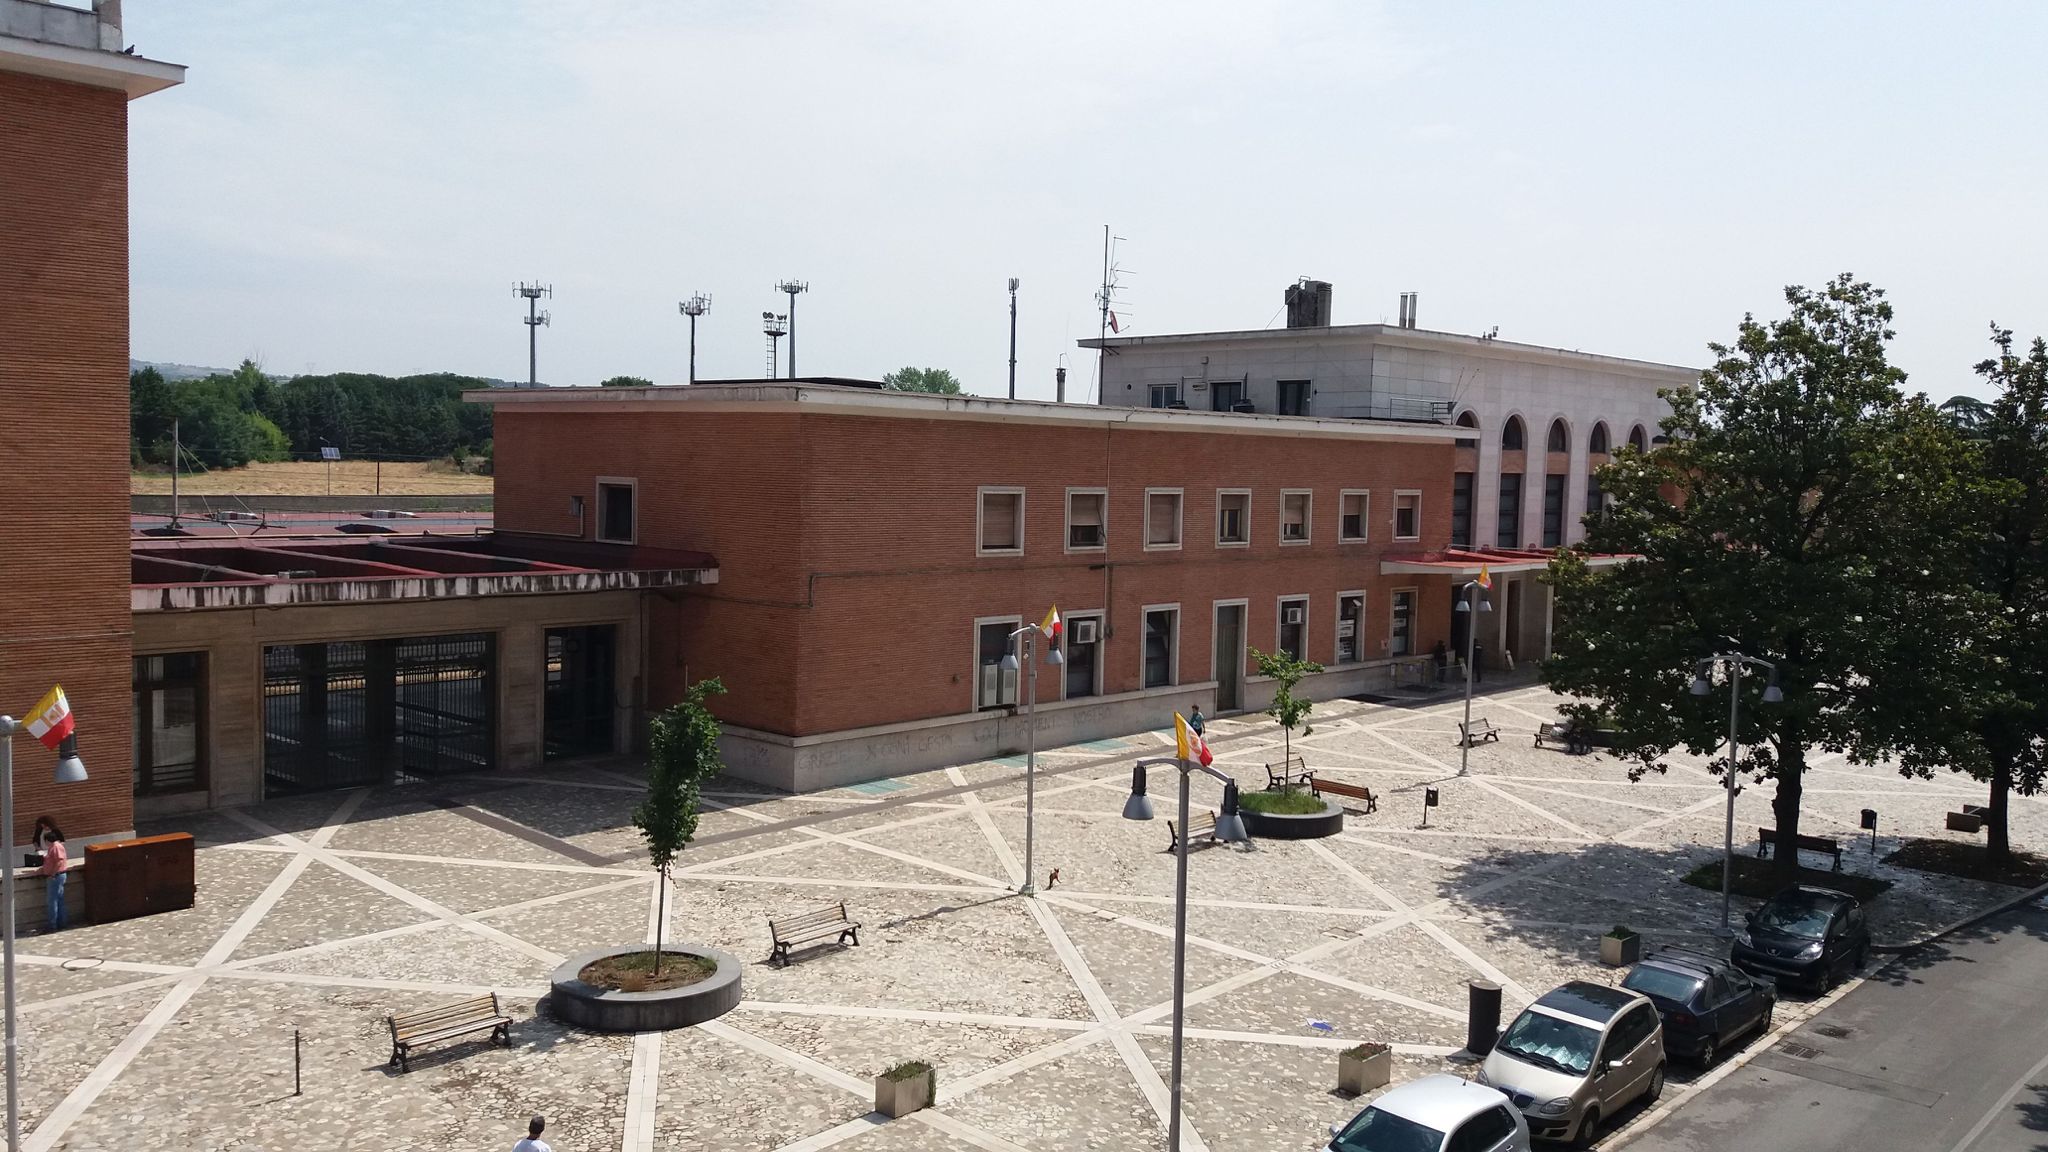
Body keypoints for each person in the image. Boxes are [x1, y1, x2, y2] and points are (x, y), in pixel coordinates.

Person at [33, 816, 67, 932]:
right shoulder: (53, 847)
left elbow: (59, 861)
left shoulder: (56, 847)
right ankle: (61, 923)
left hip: (55, 876)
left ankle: (52, 925)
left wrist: (52, 874)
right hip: (56, 875)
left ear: (49, 840)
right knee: (59, 900)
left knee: (52, 901)